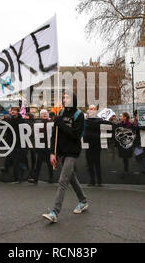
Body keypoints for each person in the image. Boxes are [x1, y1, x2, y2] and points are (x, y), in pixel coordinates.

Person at [42, 92, 87, 223]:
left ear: (73, 100)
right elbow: (54, 136)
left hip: (72, 152)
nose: (64, 99)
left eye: (67, 97)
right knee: (71, 177)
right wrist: (52, 152)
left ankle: (54, 212)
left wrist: (61, 123)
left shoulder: (79, 115)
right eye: (63, 97)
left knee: (63, 180)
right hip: (61, 152)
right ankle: (83, 200)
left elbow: (75, 135)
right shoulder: (60, 114)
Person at [28, 109, 54, 184]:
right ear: (40, 115)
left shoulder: (51, 122)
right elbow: (33, 133)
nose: (44, 115)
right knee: (38, 163)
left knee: (49, 163)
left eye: (45, 113)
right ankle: (35, 178)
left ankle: (51, 178)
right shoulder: (37, 123)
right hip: (40, 146)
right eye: (42, 114)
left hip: (48, 146)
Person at [84, 105, 103, 186]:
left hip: (96, 144)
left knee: (97, 163)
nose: (92, 110)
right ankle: (92, 180)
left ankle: (99, 181)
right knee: (90, 164)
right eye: (91, 109)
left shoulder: (99, 120)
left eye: (94, 109)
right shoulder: (85, 121)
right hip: (88, 145)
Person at [116, 112, 135, 178]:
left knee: (126, 157)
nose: (120, 117)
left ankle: (126, 170)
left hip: (128, 143)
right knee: (124, 158)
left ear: (125, 117)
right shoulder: (119, 124)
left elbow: (132, 133)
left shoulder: (130, 125)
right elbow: (117, 133)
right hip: (121, 143)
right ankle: (125, 170)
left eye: (121, 116)